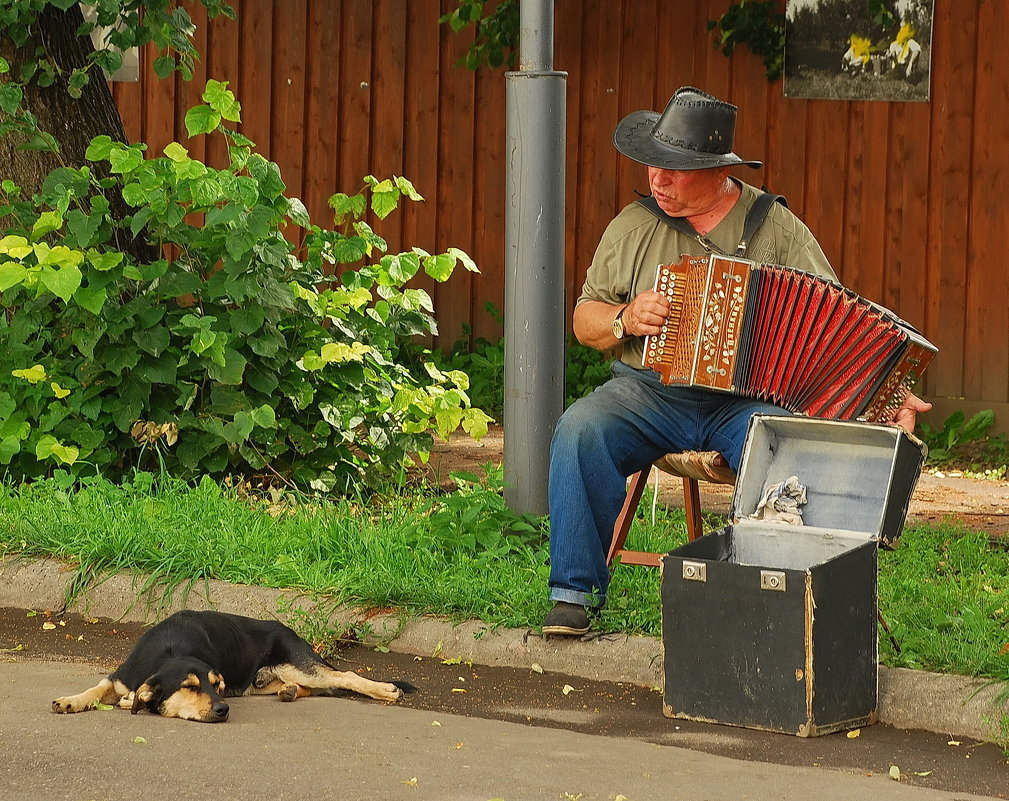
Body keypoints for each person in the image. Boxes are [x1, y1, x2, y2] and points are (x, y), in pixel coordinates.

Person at [542, 86, 931, 636]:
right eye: (655, 166)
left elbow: (840, 321)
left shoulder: (775, 228)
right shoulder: (633, 225)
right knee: (580, 430)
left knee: (792, 459)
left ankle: (772, 602)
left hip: (747, 402)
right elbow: (585, 318)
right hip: (649, 394)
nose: (659, 180)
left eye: (674, 170)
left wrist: (886, 390)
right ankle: (574, 594)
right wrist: (624, 318)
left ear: (714, 171)